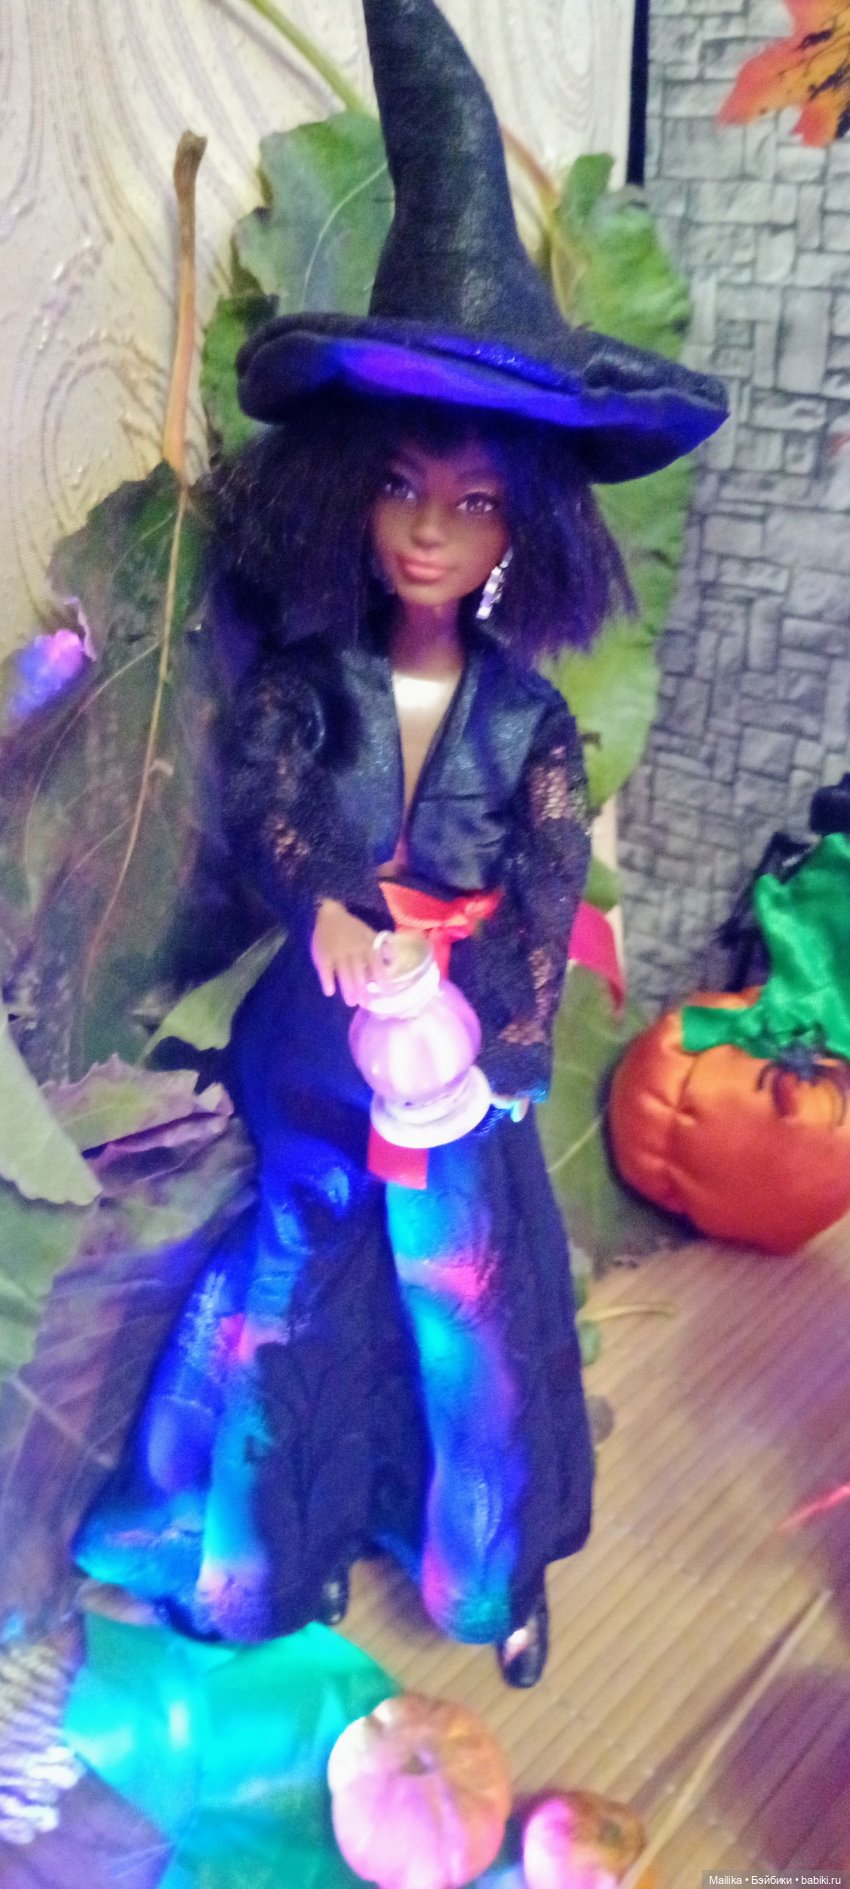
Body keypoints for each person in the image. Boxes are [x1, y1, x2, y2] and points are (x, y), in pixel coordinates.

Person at [74, 0, 726, 1687]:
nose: (432, 530)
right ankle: (244, 1565)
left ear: (528, 528)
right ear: (349, 489)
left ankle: (487, 1569)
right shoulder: (309, 684)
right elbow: (275, 809)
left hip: (459, 1064)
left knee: (471, 1308)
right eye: (403, 488)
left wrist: (492, 1039)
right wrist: (333, 915)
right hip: (316, 1040)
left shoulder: (529, 720)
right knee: (281, 1285)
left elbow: (544, 885)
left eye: (476, 500)